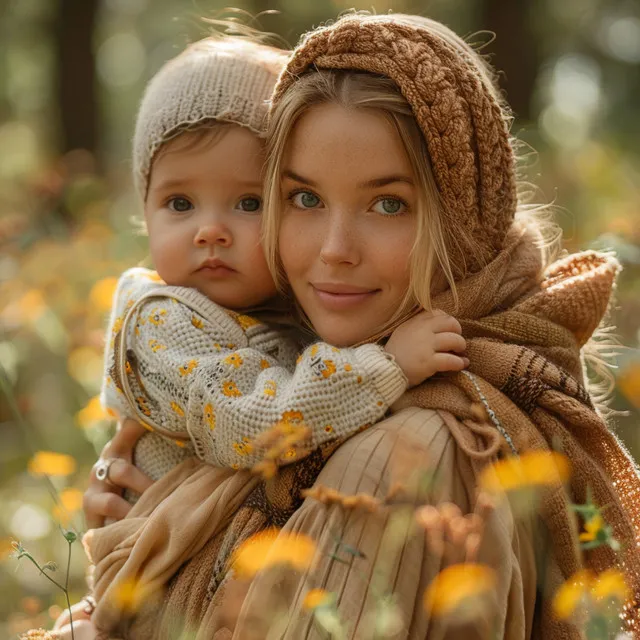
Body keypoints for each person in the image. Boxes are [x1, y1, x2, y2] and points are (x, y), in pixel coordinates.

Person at [80, 12, 640, 640]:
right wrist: (160, 507)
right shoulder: (287, 336)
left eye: (388, 204)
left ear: (459, 214)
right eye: (305, 198)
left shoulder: (415, 445)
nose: (334, 250)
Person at [39, 23, 470, 640]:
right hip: (165, 591)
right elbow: (249, 423)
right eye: (179, 204)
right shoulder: (161, 321)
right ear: (144, 212)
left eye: (247, 204)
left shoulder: (286, 306)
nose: (210, 231)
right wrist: (388, 366)